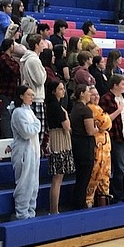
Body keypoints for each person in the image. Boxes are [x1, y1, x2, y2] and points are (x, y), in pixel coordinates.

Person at [100, 74, 124, 202]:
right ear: (115, 85)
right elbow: (105, 120)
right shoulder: (106, 99)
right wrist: (118, 110)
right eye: (122, 84)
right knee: (119, 168)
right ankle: (117, 195)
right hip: (116, 138)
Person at [10, 85, 42, 219]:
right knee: (25, 183)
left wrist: (36, 124)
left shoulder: (29, 111)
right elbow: (26, 132)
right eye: (29, 94)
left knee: (34, 184)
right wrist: (37, 124)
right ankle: (22, 213)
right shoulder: (18, 112)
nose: (32, 97)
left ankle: (31, 212)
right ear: (21, 96)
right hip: (24, 152)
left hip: (33, 151)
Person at [45, 80, 74, 214]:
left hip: (58, 139)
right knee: (57, 178)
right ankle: (54, 209)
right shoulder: (55, 107)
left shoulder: (55, 105)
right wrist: (66, 115)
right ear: (53, 91)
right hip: (59, 141)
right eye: (60, 89)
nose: (63, 91)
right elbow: (67, 126)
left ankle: (54, 209)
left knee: (58, 178)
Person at [87, 90, 112, 207]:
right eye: (93, 94)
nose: (96, 96)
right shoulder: (92, 108)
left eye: (97, 94)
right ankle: (89, 203)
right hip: (98, 148)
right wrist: (106, 119)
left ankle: (103, 202)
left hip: (105, 148)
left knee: (104, 177)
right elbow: (106, 123)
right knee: (95, 176)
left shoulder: (98, 108)